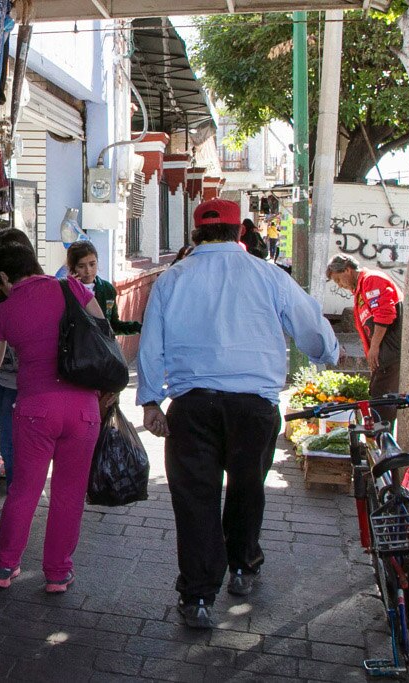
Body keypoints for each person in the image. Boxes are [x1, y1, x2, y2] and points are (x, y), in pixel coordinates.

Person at [138, 198, 340, 629]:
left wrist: (151, 401)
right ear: (239, 232)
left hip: (193, 407)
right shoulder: (269, 275)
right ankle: (244, 566)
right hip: (254, 406)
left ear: (196, 233)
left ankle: (197, 596)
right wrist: (327, 353)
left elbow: (151, 343)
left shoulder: (172, 279)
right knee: (248, 489)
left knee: (195, 499)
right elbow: (310, 327)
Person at [0, 244, 113, 593]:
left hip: (35, 410)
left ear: (5, 277)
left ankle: (4, 566)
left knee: (24, 491)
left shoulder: (6, 310)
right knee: (68, 494)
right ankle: (58, 573)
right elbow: (104, 333)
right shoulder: (72, 287)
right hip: (83, 408)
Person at [0, 229, 35, 535]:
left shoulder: (17, 299)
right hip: (7, 382)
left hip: (19, 386)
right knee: (10, 447)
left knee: (15, 450)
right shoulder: (9, 295)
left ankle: (14, 518)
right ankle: (14, 508)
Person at [325, 254, 403, 425]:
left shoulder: (372, 280)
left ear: (347, 270)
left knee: (382, 402)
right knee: (377, 396)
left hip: (390, 351)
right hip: (384, 352)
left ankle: (382, 436)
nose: (340, 285)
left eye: (338, 280)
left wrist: (374, 347)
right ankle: (379, 434)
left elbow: (384, 314)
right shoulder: (362, 287)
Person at [65, 240, 142, 335]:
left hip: (101, 343)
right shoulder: (65, 290)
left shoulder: (107, 289)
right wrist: (71, 288)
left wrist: (138, 328)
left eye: (92, 264)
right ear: (72, 268)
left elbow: (113, 325)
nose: (88, 271)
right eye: (81, 266)